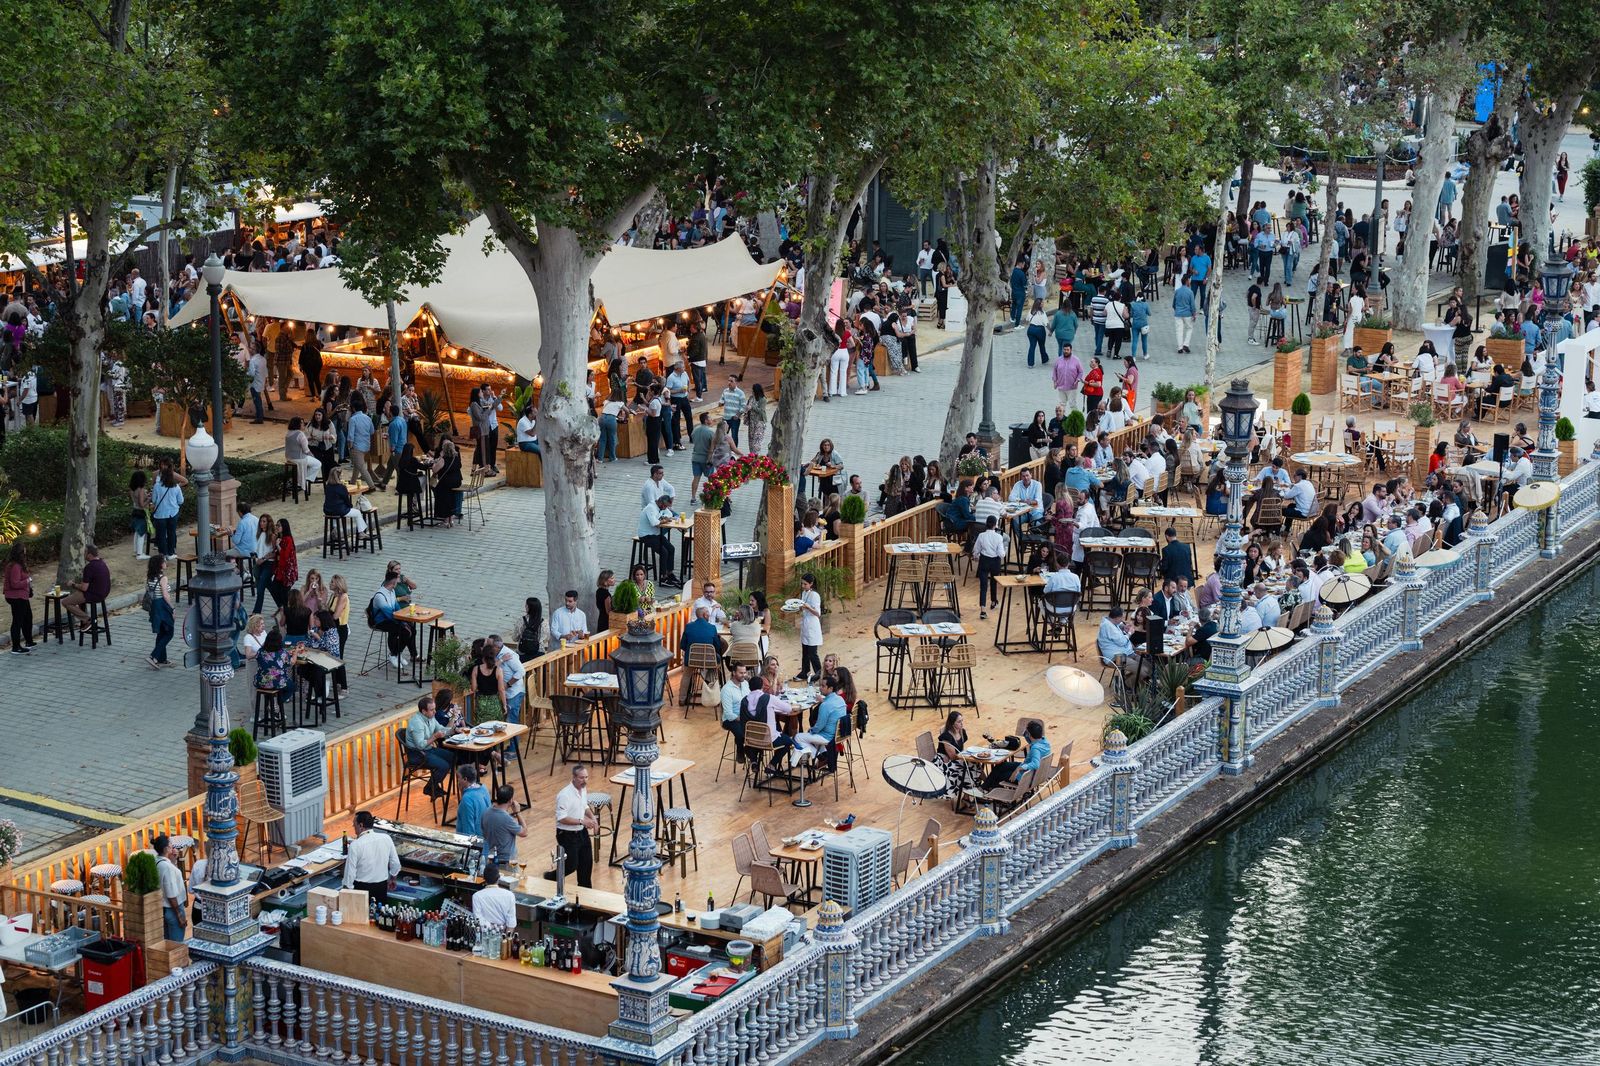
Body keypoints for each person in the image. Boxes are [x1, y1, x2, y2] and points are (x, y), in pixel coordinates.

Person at [341, 810, 401, 903]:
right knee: (380, 915)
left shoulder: (355, 845)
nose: (353, 827)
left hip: (361, 889)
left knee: (362, 916)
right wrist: (393, 878)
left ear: (361, 826)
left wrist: (346, 892)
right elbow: (395, 864)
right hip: (381, 887)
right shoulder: (386, 838)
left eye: (354, 825)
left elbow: (350, 874)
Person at [554, 765, 599, 888]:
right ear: (574, 777)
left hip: (581, 832)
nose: (585, 780)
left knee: (586, 865)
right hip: (567, 834)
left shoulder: (582, 789)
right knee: (571, 866)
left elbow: (584, 806)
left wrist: (593, 818)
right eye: (581, 778)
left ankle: (586, 896)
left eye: (586, 777)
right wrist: (582, 821)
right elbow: (562, 818)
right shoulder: (564, 795)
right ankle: (549, 878)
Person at [793, 673, 850, 765]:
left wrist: (811, 730)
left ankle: (820, 757)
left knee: (797, 737)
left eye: (823, 686)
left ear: (830, 689)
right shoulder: (840, 699)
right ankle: (824, 754)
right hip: (839, 734)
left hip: (828, 736)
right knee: (810, 735)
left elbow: (820, 726)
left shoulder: (825, 705)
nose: (820, 688)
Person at [985, 720, 1051, 789]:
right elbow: (1030, 741)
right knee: (1001, 766)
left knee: (998, 775)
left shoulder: (1035, 748)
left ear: (1030, 734)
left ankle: (986, 790)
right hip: (1032, 773)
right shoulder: (1044, 741)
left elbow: (1035, 764)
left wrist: (1018, 769)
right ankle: (985, 788)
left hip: (1025, 777)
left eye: (1027, 732)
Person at [60, 543, 111, 627]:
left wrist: (73, 584)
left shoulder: (89, 567)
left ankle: (87, 619)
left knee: (66, 602)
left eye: (85, 553)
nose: (83, 555)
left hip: (93, 594)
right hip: (104, 593)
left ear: (90, 555)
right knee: (78, 595)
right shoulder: (102, 563)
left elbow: (84, 588)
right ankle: (84, 622)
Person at [152, 834, 188, 942]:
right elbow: (171, 894)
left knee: (166, 942)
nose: (173, 847)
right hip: (172, 909)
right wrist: (179, 915)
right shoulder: (167, 868)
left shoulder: (157, 861)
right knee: (176, 944)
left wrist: (173, 860)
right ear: (166, 849)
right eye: (171, 846)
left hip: (162, 908)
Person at [638, 493, 680, 585]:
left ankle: (669, 573)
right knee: (664, 552)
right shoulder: (651, 508)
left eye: (667, 506)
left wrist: (665, 517)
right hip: (646, 535)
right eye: (664, 506)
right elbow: (654, 523)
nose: (665, 508)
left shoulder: (661, 508)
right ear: (660, 502)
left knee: (671, 548)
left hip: (655, 534)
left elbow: (668, 514)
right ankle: (663, 577)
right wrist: (664, 520)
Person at [149, 459, 187, 560]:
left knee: (161, 534)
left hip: (160, 514)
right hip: (173, 513)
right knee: (172, 533)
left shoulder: (157, 486)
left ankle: (163, 554)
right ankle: (171, 552)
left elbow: (154, 500)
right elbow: (181, 501)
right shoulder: (176, 487)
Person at [480, 786, 527, 865]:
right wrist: (518, 812)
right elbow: (524, 832)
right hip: (506, 861)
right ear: (510, 800)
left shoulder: (486, 812)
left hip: (490, 857)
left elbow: (483, 831)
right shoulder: (507, 819)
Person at [145, 555, 175, 669]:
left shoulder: (150, 578)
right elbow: (165, 595)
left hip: (154, 607)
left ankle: (162, 659)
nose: (166, 563)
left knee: (161, 632)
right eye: (164, 561)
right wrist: (172, 608)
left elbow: (148, 592)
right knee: (169, 632)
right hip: (163, 606)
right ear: (160, 565)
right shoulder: (163, 578)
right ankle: (153, 656)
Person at [4, 543, 33, 654]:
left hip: (22, 596)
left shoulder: (18, 565)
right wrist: (27, 581)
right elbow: (15, 584)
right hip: (16, 597)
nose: (25, 555)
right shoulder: (15, 566)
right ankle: (15, 647)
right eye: (23, 552)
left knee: (27, 617)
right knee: (18, 621)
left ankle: (29, 641)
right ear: (19, 553)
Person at [794, 571, 823, 683]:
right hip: (805, 624)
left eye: (805, 584)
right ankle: (804, 672)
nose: (803, 586)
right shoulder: (804, 593)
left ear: (811, 584)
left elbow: (817, 613)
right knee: (805, 651)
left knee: (812, 653)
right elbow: (802, 606)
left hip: (812, 625)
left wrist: (807, 607)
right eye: (802, 584)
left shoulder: (815, 595)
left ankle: (819, 674)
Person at [720, 662, 753, 756]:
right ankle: (741, 752)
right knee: (741, 733)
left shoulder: (746, 684)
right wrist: (743, 718)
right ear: (734, 673)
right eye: (741, 673)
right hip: (731, 719)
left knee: (758, 731)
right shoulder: (726, 689)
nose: (744, 675)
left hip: (745, 716)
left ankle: (751, 753)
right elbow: (728, 714)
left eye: (745, 672)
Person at [431, 439, 464, 526]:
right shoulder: (456, 458)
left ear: (444, 449)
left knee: (438, 490)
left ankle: (445, 518)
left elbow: (434, 470)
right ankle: (451, 518)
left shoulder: (443, 459)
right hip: (457, 482)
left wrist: (439, 459)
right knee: (450, 494)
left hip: (447, 483)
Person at [455, 764, 491, 839]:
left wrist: (471, 848)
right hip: (487, 835)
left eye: (458, 778)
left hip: (475, 841)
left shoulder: (467, 799)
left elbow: (468, 828)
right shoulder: (483, 788)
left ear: (465, 779)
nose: (457, 781)